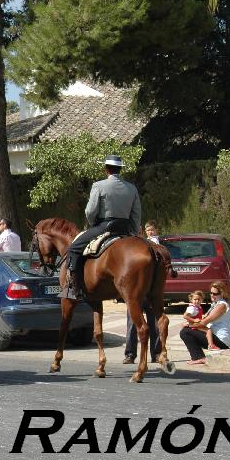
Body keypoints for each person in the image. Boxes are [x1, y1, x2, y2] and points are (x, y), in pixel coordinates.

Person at [65, 155, 142, 295]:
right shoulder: (132, 188)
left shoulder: (99, 185)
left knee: (73, 248)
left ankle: (73, 287)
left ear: (106, 169)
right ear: (120, 169)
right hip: (125, 228)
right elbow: (136, 214)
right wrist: (134, 232)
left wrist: (94, 224)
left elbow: (90, 211)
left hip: (105, 226)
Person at [180, 281, 230, 365]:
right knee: (187, 330)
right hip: (214, 337)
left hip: (221, 341)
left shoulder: (221, 306)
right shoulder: (216, 304)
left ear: (222, 294)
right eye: (211, 293)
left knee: (185, 332)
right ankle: (198, 357)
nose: (212, 295)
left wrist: (188, 324)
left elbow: (203, 323)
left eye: (215, 294)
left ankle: (199, 357)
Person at [122, 300, 161, 364]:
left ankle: (156, 354)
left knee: (155, 326)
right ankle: (130, 354)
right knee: (132, 326)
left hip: (150, 295)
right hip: (134, 296)